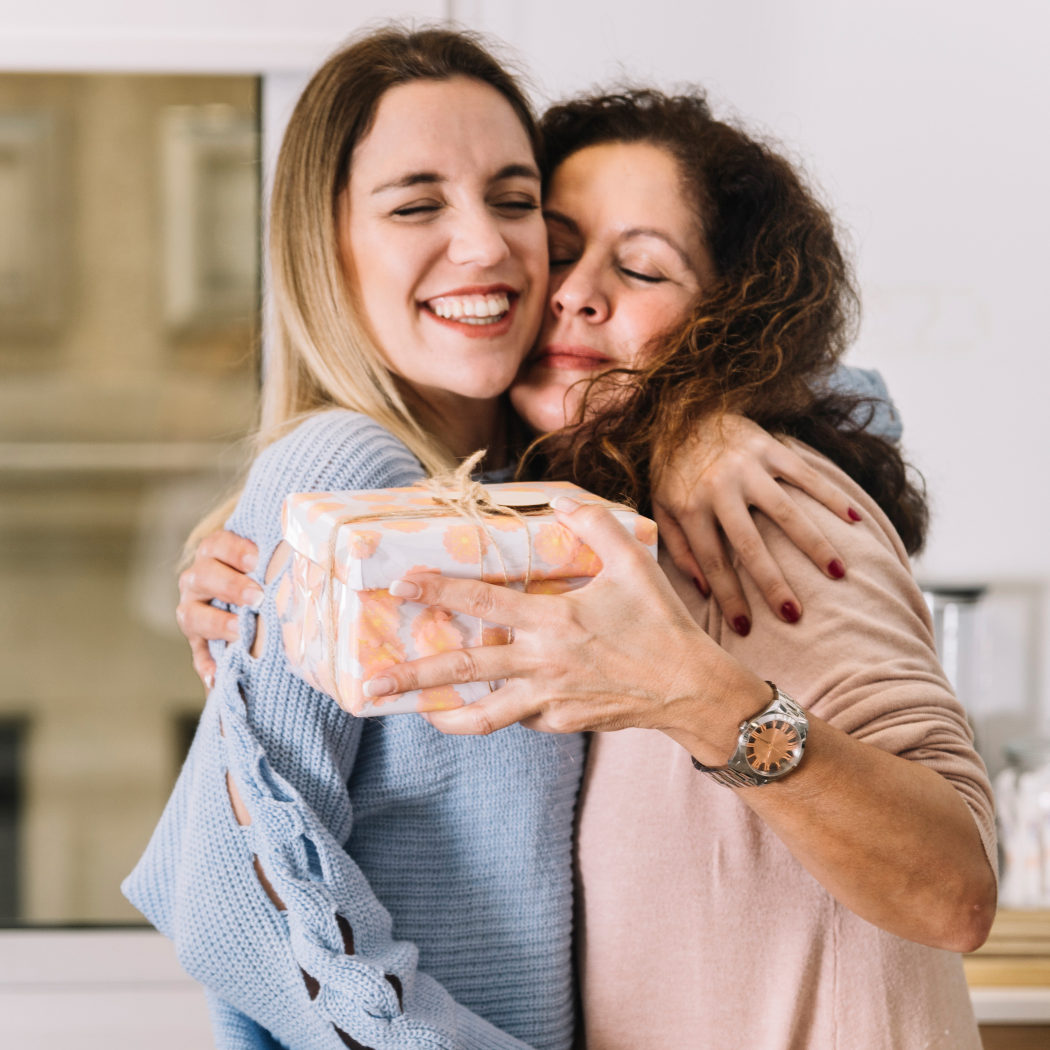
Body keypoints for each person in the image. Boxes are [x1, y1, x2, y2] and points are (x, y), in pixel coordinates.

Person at [355, 89, 998, 1048]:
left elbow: (955, 892)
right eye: (561, 247)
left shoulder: (762, 514)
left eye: (644, 267)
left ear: (727, 323)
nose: (578, 291)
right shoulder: (579, 516)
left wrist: (699, 699)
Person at [125, 27, 578, 1050]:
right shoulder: (344, 471)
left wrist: (718, 430)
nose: (486, 245)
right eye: (417, 205)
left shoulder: (540, 492)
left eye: (514, 199)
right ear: (323, 246)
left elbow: (849, 408)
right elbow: (243, 893)